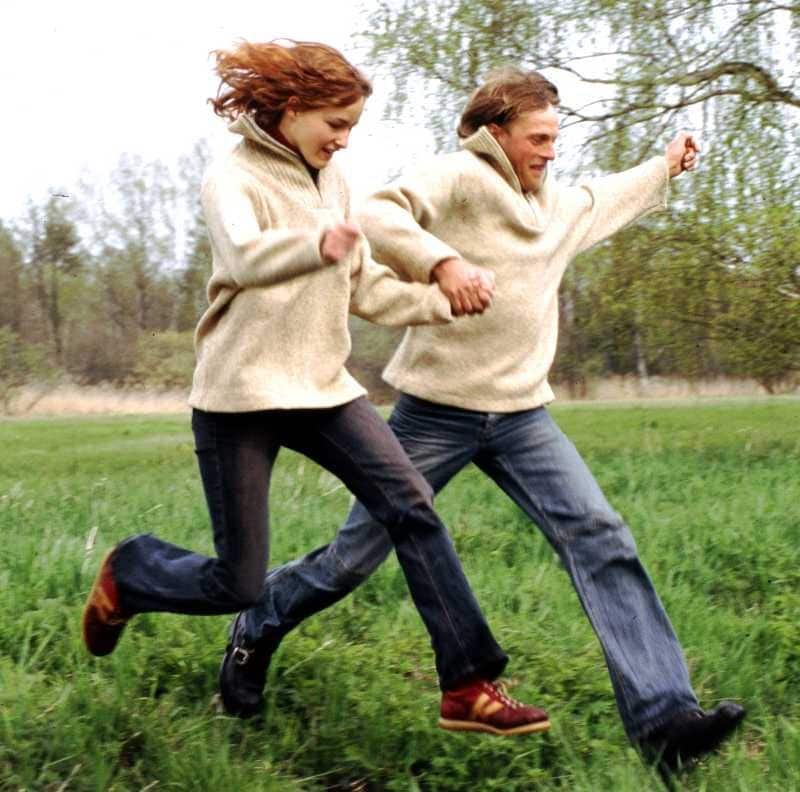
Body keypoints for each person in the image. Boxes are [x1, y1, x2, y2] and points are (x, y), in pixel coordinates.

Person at [217, 67, 746, 772]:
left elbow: (605, 196)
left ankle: (665, 720)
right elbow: (380, 212)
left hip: (525, 416)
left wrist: (665, 167)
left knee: (600, 535)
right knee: (351, 560)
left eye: (556, 138)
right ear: (497, 134)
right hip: (435, 414)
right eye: (538, 138)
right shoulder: (460, 178)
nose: (550, 151)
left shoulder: (555, 206)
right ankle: (258, 624)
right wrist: (442, 263)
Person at [81, 42, 550, 737]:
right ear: (293, 110)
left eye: (353, 126)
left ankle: (468, 683)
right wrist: (315, 245)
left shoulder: (334, 181)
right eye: (335, 123)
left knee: (411, 507)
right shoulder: (232, 178)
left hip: (324, 390)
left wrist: (436, 303)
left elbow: (361, 285)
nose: (344, 139)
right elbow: (243, 255)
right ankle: (134, 568)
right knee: (236, 583)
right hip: (239, 399)